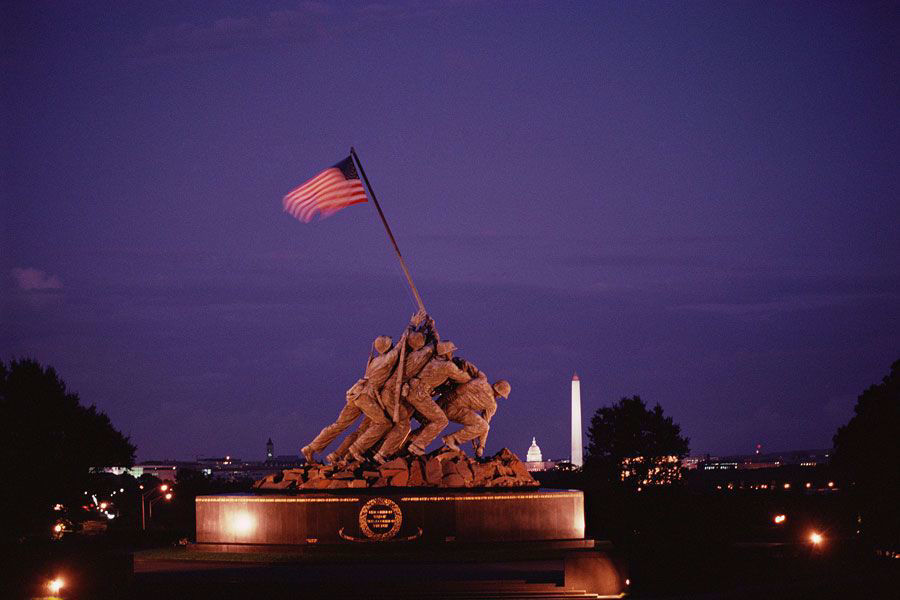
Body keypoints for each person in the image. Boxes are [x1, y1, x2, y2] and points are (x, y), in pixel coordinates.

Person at [301, 311, 424, 463]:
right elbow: (402, 343)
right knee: (383, 423)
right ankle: (357, 448)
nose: (392, 345)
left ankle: (311, 447)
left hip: (355, 392)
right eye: (390, 344)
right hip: (366, 396)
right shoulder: (387, 360)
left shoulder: (375, 360)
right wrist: (413, 323)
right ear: (387, 347)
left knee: (339, 425)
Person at [403, 340, 471, 455]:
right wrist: (466, 367)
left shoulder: (433, 360)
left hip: (413, 391)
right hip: (419, 394)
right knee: (441, 420)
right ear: (445, 353)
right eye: (450, 352)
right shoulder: (447, 366)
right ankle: (417, 445)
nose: (452, 354)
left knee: (427, 420)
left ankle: (409, 441)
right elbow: (464, 378)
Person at [439, 375, 510, 458]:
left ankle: (451, 440)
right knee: (484, 426)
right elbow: (485, 425)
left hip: (444, 402)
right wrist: (481, 446)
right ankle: (451, 439)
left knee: (481, 424)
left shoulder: (482, 382)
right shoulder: (492, 405)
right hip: (452, 410)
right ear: (499, 393)